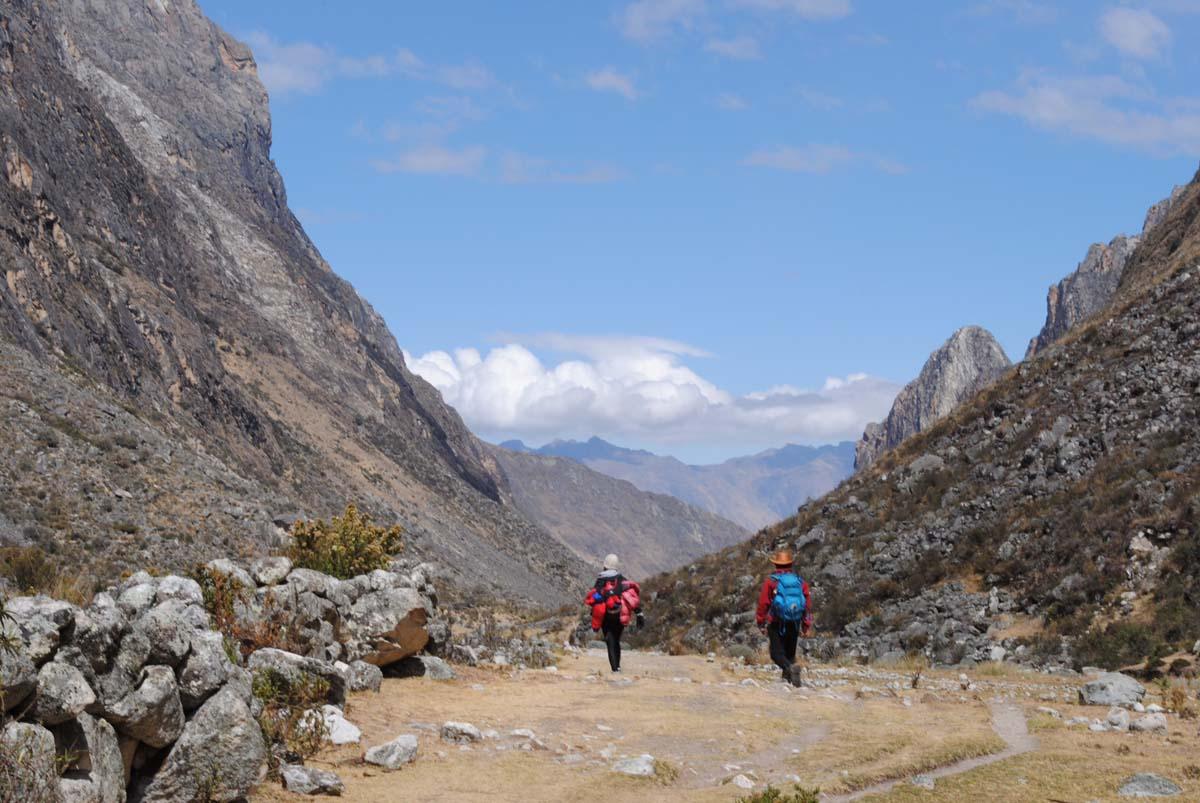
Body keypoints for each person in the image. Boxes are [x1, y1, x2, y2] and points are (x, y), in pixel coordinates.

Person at [755, 549, 813, 686]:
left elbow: (764, 604)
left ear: (776, 565)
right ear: (790, 564)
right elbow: (807, 605)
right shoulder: (800, 582)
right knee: (789, 654)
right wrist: (806, 625)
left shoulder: (771, 582)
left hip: (776, 622)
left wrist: (761, 622)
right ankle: (789, 682)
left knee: (776, 654)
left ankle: (790, 670)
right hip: (795, 621)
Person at [585, 554, 643, 673]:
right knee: (616, 639)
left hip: (606, 616)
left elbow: (595, 596)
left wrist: (595, 608)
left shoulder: (601, 580)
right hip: (620, 615)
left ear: (605, 566)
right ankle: (618, 667)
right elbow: (632, 598)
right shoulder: (622, 579)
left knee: (609, 639)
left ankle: (615, 668)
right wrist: (639, 613)